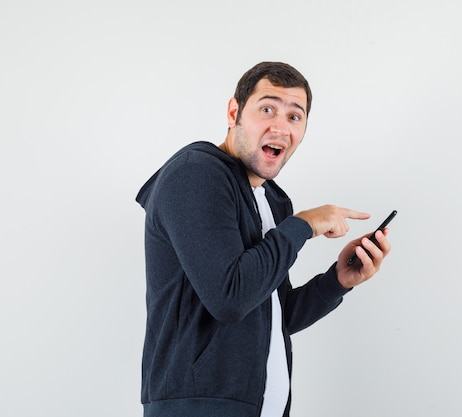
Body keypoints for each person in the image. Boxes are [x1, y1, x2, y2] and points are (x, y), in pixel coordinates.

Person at [135, 61, 392, 417]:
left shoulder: (272, 199)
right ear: (233, 112)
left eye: (294, 117)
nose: (280, 127)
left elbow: (273, 315)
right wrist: (304, 225)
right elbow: (230, 298)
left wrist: (337, 281)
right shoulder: (196, 174)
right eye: (267, 109)